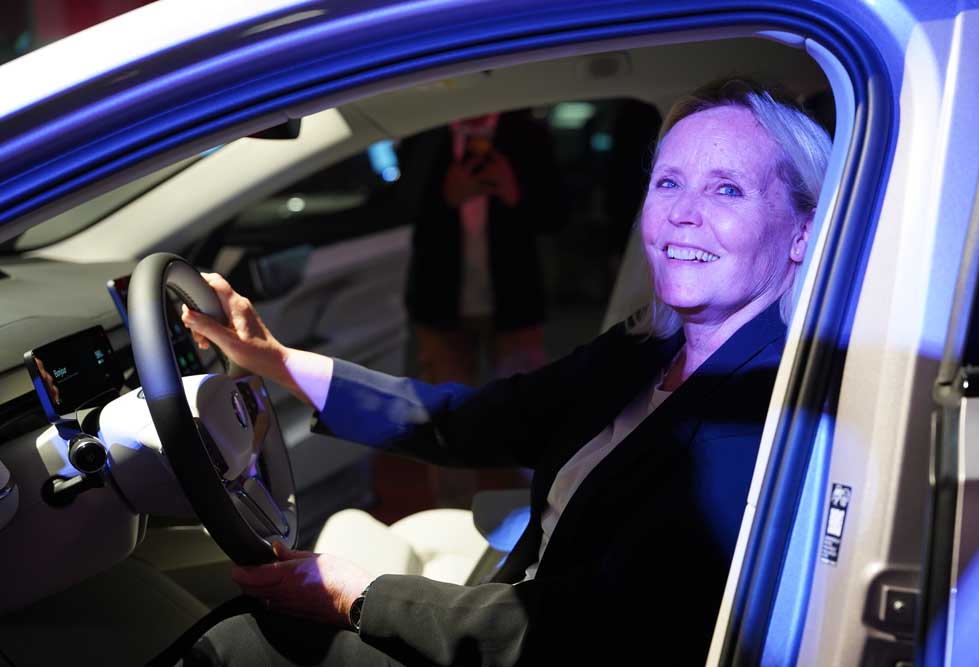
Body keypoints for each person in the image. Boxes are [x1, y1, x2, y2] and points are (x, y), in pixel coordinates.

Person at [176, 79, 831, 666]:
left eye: (726, 188)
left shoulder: (758, 413)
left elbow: (591, 632)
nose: (682, 213)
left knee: (241, 643)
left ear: (804, 231)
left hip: (539, 643)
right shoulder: (649, 348)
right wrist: (275, 359)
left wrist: (362, 595)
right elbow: (473, 420)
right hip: (518, 607)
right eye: (668, 182)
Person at [401, 110, 566, 507]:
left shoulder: (526, 132)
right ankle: (452, 516)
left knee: (527, 414)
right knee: (445, 421)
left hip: (514, 301)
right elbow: (400, 208)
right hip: (440, 304)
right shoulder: (424, 135)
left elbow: (557, 214)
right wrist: (445, 197)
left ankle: (539, 513)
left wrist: (514, 191)